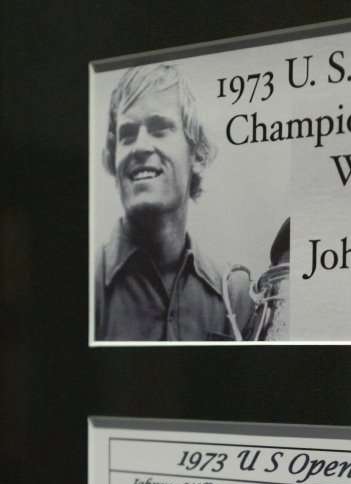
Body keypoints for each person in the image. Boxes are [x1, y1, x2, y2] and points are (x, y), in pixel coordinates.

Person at [95, 63, 253, 341]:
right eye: (127, 134)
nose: (139, 146)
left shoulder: (235, 295)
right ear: (113, 159)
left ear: (198, 155)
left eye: (159, 128)